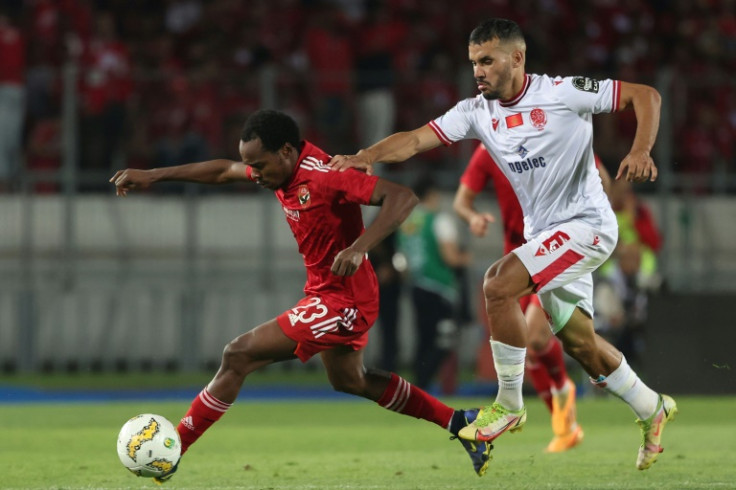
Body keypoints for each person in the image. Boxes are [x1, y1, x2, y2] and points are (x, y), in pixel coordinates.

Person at [330, 18, 676, 471]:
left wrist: (641, 149)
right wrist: (366, 156)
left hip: (588, 226)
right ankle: (652, 408)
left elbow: (645, 95)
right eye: (474, 62)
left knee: (497, 283)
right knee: (582, 345)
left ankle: (508, 406)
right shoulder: (476, 112)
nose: (478, 71)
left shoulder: (563, 92)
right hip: (547, 237)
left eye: (487, 61)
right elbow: (415, 140)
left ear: (517, 58)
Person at [109, 109, 493, 481]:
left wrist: (361, 246)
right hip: (328, 293)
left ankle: (174, 452)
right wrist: (153, 175)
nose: (254, 174)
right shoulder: (279, 172)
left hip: (345, 300)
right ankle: (462, 423)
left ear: (287, 152)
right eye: (252, 166)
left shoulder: (327, 176)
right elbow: (225, 170)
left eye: (259, 165)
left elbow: (402, 197)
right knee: (350, 381)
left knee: (238, 354)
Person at [452, 144, 618, 452]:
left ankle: (576, 402)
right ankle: (565, 418)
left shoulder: (555, 131)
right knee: (535, 344)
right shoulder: (488, 149)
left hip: (559, 249)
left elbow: (602, 179)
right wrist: (472, 217)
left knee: (536, 338)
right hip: (517, 260)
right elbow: (462, 201)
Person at [396, 175, 470, 392]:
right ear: (433, 194)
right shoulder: (439, 220)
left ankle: (418, 386)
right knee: (444, 340)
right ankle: (422, 385)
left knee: (423, 339)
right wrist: (465, 258)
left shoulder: (407, 222)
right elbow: (450, 257)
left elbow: (403, 260)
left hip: (417, 285)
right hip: (440, 288)